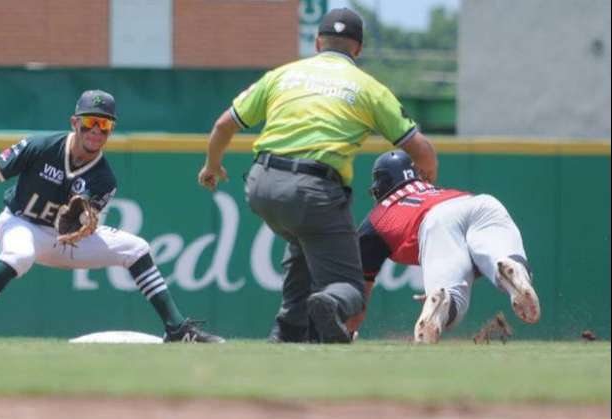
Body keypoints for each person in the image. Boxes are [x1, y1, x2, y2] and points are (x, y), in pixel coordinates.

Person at [197, 8, 438, 343]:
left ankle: (287, 330)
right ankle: (331, 301)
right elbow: (423, 152)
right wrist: (425, 194)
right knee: (351, 288)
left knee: (303, 243)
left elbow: (224, 124)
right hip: (314, 191)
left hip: (261, 185)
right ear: (358, 49)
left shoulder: (282, 75)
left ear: (316, 42)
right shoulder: (369, 88)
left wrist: (212, 166)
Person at [0, 89, 224, 343]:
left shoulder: (104, 178)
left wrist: (84, 226)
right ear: (75, 123)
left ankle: (175, 329)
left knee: (137, 249)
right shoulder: (41, 146)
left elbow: (86, 222)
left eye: (105, 124)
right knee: (19, 256)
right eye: (90, 122)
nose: (97, 131)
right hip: (20, 222)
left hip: (64, 240)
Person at [345, 150, 541, 343]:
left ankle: (443, 302)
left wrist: (347, 330)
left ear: (380, 187)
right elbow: (475, 256)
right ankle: (514, 269)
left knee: (452, 298)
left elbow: (357, 301)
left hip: (436, 220)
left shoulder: (377, 219)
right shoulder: (434, 189)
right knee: (503, 256)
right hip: (480, 204)